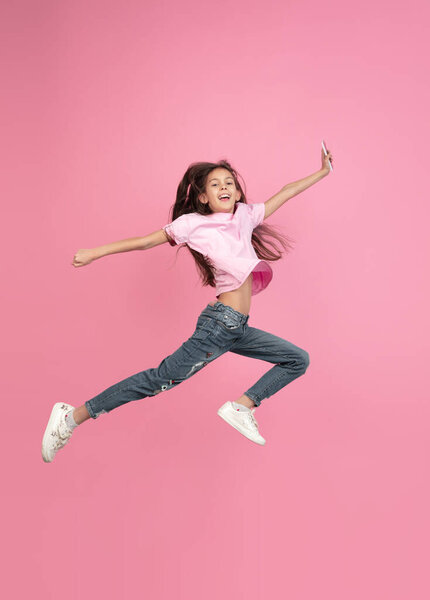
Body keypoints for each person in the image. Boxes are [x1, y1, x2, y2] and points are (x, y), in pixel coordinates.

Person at [42, 147, 334, 462]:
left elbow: (286, 192)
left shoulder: (245, 216)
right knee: (158, 380)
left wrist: (322, 172)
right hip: (219, 325)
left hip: (237, 328)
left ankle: (242, 406)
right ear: (203, 197)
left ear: (236, 192)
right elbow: (143, 242)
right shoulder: (192, 224)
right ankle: (71, 417)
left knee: (296, 360)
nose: (224, 187)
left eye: (229, 183)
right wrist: (95, 252)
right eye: (215, 184)